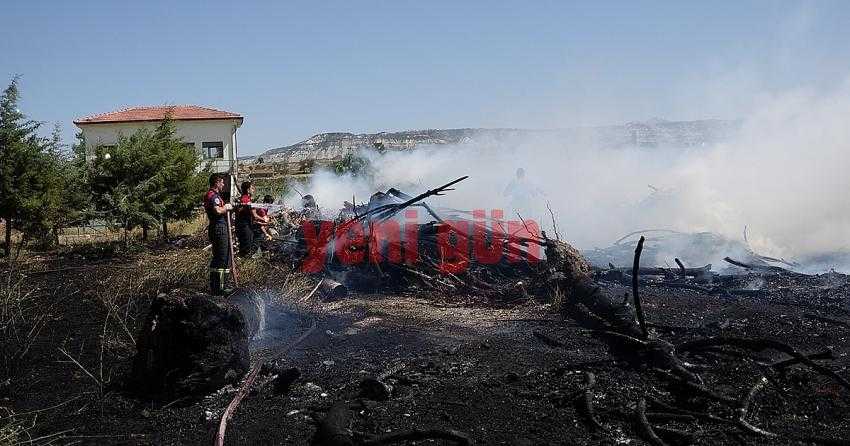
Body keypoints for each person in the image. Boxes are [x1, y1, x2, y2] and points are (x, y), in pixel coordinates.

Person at [204, 173, 234, 295]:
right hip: (219, 228)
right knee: (222, 258)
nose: (223, 184)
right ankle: (221, 287)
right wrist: (226, 207)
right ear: (216, 182)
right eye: (222, 182)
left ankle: (217, 285)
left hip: (219, 227)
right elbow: (217, 210)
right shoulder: (212, 195)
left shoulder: (215, 195)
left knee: (220, 258)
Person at [235, 181, 262, 257]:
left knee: (246, 246)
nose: (253, 190)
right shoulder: (246, 199)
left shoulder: (246, 198)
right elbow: (254, 215)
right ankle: (244, 263)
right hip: (244, 226)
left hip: (244, 226)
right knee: (246, 248)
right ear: (248, 190)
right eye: (252, 188)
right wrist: (265, 220)